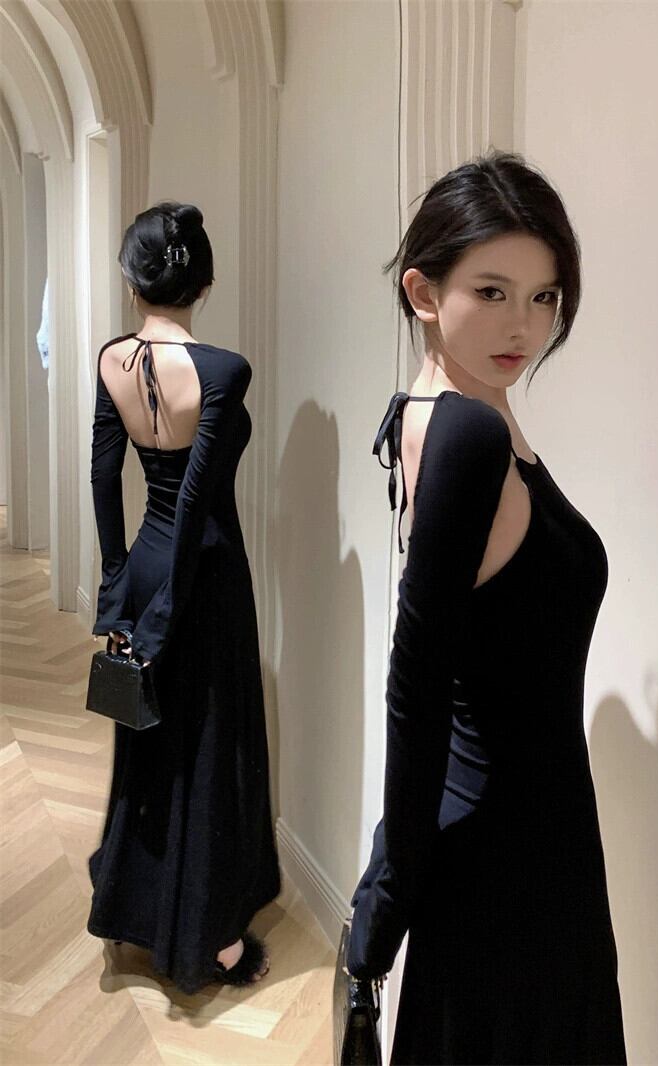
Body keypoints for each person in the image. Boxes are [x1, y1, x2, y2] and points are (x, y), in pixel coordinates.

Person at [347, 150, 627, 1064]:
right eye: (493, 292)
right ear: (424, 292)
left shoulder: (439, 409)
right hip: (515, 849)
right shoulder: (468, 430)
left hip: (507, 829)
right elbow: (416, 683)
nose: (524, 325)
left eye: (544, 297)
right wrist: (389, 891)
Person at [87, 201, 281, 993]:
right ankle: (214, 940)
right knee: (206, 742)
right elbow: (198, 500)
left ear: (131, 282)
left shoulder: (112, 359)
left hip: (146, 561)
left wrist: (118, 594)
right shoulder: (223, 370)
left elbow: (105, 477)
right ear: (205, 282)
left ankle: (135, 899)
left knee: (152, 736)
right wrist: (168, 610)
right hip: (206, 576)